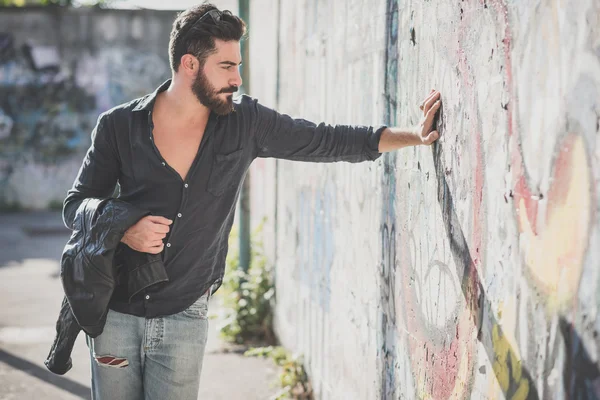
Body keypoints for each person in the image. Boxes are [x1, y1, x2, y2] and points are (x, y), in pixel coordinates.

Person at [63, 3, 442, 399]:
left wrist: (413, 135)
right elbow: (76, 206)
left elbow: (325, 139)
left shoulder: (246, 123)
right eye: (226, 66)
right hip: (116, 313)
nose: (237, 78)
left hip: (185, 314)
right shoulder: (119, 126)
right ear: (189, 64)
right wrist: (124, 227)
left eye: (238, 64)